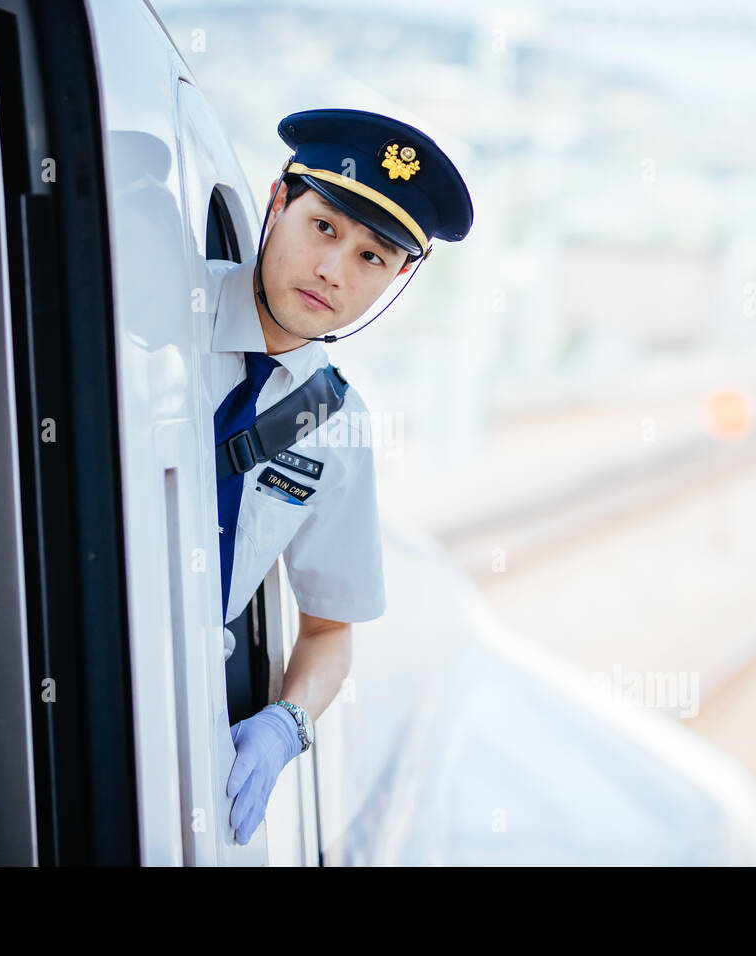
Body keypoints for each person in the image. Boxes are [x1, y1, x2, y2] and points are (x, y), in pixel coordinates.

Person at [207, 108, 473, 845]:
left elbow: (328, 629)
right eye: (325, 227)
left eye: (371, 257)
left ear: (398, 278)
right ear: (277, 201)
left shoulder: (337, 423)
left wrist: (285, 725)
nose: (334, 270)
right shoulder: (149, 314)